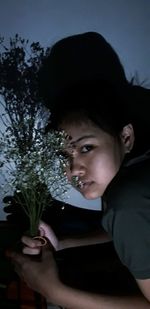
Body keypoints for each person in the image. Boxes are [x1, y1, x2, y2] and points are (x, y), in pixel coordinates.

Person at [10, 32, 150, 308]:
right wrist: (64, 243)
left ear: (125, 137)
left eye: (86, 148)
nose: (74, 169)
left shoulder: (127, 202)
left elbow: (130, 218)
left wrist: (54, 292)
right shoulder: (136, 170)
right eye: (64, 156)